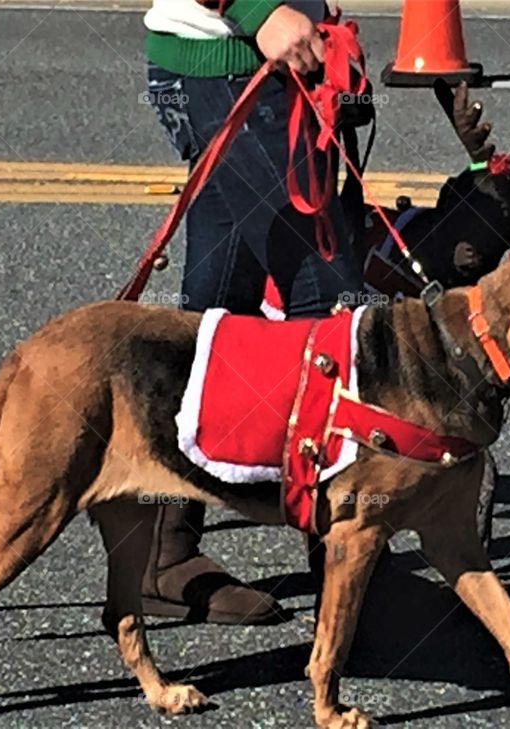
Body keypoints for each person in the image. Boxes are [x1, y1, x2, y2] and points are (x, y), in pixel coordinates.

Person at [141, 0, 364, 622]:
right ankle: (345, 562)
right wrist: (260, 10)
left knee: (219, 312)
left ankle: (163, 551)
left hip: (237, 63)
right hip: (231, 64)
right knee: (328, 306)